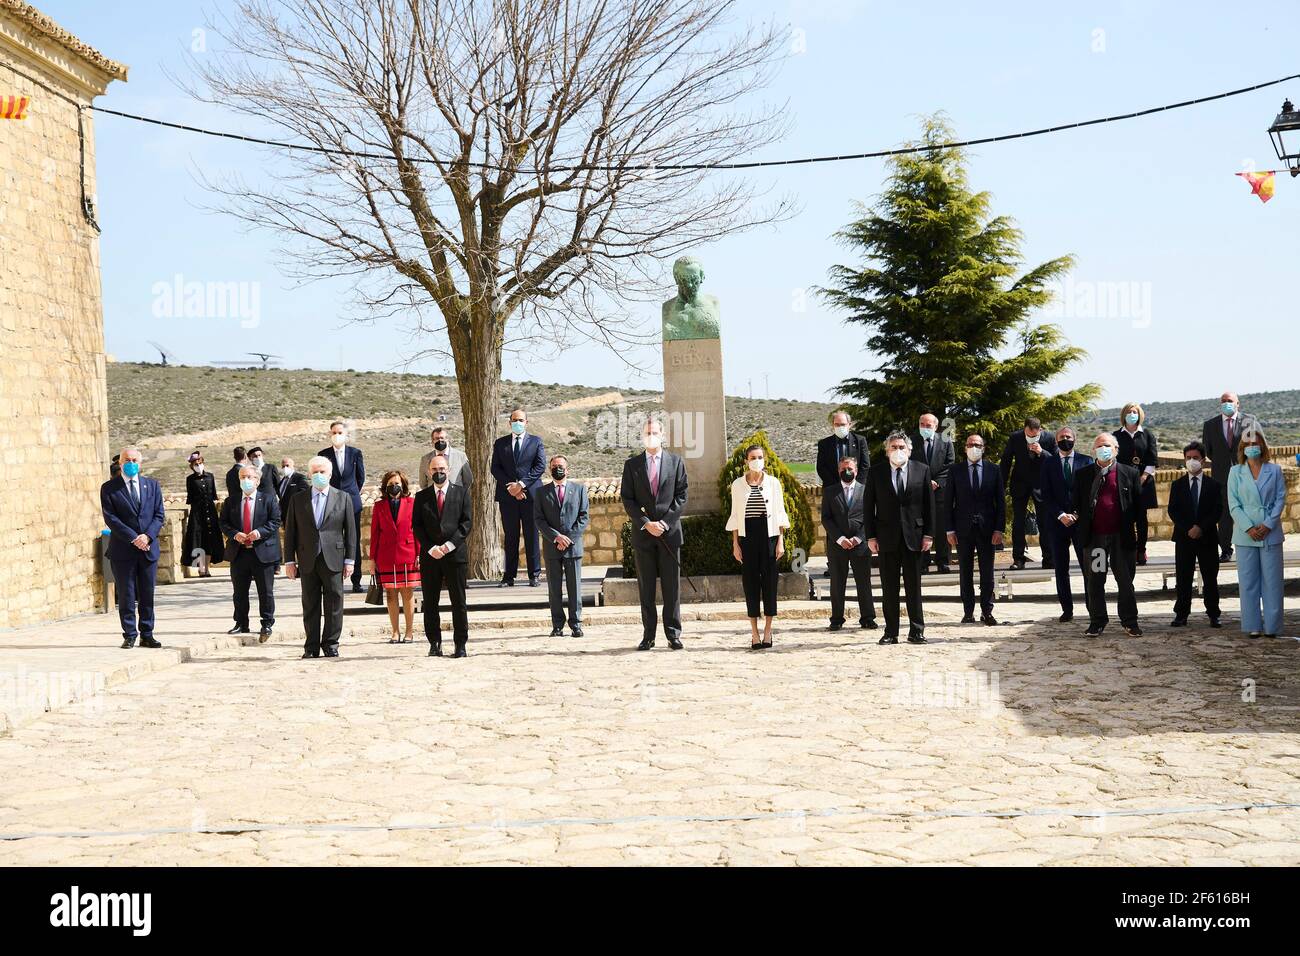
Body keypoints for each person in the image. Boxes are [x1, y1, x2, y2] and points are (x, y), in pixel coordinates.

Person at [620, 418, 689, 651]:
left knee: (671, 589)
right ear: (642, 435)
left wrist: (665, 523)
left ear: (663, 434)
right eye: (648, 432)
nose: (652, 435)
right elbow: (627, 499)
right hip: (644, 536)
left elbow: (681, 496)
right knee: (646, 588)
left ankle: (673, 634)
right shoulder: (632, 465)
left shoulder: (676, 462)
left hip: (669, 535)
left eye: (655, 431)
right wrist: (646, 523)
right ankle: (648, 635)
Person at [863, 431, 935, 645]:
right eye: (893, 447)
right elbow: (868, 507)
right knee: (889, 587)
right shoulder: (876, 473)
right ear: (887, 451)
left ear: (909, 450)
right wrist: (871, 536)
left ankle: (917, 630)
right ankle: (891, 632)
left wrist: (929, 535)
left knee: (914, 587)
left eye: (902, 447)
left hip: (914, 537)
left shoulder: (922, 470)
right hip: (886, 538)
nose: (898, 451)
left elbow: (929, 505)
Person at [1069, 433, 1142, 638]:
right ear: (1093, 450)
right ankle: (1097, 621)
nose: (1104, 449)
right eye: (1099, 446)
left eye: (1107, 445)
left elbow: (1139, 511)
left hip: (1121, 539)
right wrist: (1072, 516)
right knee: (1095, 580)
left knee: (1125, 580)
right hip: (1096, 541)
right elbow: (1076, 505)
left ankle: (1130, 621)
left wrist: (1141, 545)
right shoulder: (1084, 475)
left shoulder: (1129, 473)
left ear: (1116, 449)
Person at [282, 456, 356, 658]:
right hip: (307, 559)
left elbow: (350, 532)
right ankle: (311, 647)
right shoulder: (298, 499)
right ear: (308, 474)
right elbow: (290, 532)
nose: (318, 475)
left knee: (334, 602)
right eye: (314, 472)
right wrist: (289, 560)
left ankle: (331, 644)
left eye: (322, 471)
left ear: (330, 474)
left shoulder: (343, 498)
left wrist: (350, 560)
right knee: (310, 604)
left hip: (333, 558)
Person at [726, 444, 791, 649]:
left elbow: (780, 514)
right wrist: (736, 544)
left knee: (770, 583)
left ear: (765, 459)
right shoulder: (737, 485)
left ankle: (768, 631)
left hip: (770, 536)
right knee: (751, 584)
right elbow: (735, 516)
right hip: (748, 537)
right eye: (752, 457)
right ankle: (754, 633)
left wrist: (780, 541)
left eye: (759, 457)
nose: (756, 460)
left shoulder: (773, 483)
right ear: (746, 460)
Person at [101, 447, 166, 649]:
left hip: (148, 548)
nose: (131, 463)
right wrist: (133, 538)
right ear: (120, 463)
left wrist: (147, 536)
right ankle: (130, 634)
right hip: (123, 550)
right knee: (127, 594)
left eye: (134, 460)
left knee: (147, 594)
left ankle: (147, 633)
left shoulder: (152, 486)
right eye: (127, 460)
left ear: (140, 462)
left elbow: (159, 515)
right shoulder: (109, 488)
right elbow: (111, 518)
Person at [1227, 427, 1286, 638]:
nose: (1252, 447)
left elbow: (1280, 499)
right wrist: (1249, 527)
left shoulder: (1275, 470)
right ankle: (1252, 624)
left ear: (1263, 446)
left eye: (1256, 443)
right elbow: (1233, 504)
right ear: (1242, 448)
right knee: (1248, 581)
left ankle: (1272, 627)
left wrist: (1268, 524)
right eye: (1248, 444)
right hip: (1245, 534)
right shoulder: (1235, 472)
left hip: (1271, 532)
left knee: (1272, 581)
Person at [412, 455, 473, 657]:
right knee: (430, 602)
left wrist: (447, 546)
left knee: (459, 602)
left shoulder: (462, 493)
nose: (439, 472)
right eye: (434, 468)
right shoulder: (421, 497)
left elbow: (466, 524)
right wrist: (431, 548)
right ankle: (434, 643)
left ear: (448, 470)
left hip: (454, 555)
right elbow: (417, 526)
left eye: (442, 468)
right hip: (430, 557)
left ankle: (460, 644)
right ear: (429, 472)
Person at [945, 433, 1005, 625]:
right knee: (965, 572)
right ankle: (968, 611)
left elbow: (1000, 503)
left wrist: (999, 529)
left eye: (977, 444)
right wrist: (949, 529)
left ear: (983, 448)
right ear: (965, 448)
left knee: (987, 573)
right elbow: (948, 503)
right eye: (970, 444)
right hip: (962, 530)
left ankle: (987, 611)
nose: (974, 447)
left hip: (988, 530)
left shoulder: (994, 470)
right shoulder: (955, 471)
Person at [220, 463, 282, 642]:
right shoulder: (231, 501)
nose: (245, 481)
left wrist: (259, 532)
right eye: (242, 477)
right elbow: (223, 522)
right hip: (239, 553)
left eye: (249, 477)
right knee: (239, 591)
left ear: (257, 480)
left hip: (262, 552)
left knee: (265, 591)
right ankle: (241, 622)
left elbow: (275, 520)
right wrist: (234, 534)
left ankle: (267, 623)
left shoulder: (269, 499)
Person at [1037, 427, 1091, 623]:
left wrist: (1076, 514)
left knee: (1088, 568)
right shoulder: (1048, 463)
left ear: (1074, 439)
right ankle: (1066, 609)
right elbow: (1046, 494)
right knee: (1061, 568)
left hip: (1080, 523)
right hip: (1057, 523)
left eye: (1068, 437)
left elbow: (1090, 493)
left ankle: (1091, 606)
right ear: (1056, 441)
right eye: (1061, 437)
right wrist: (1060, 515)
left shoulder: (1086, 461)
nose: (1065, 440)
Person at [1167, 440, 1222, 628]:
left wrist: (1201, 527)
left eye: (1195, 458)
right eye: (1188, 458)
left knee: (1210, 577)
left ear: (1204, 460)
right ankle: (1181, 614)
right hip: (1184, 538)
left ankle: (1214, 613)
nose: (1192, 461)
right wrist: (1188, 528)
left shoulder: (1214, 485)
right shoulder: (1177, 485)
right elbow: (1173, 511)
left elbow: (1217, 511)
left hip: (1207, 537)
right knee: (1183, 577)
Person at [820, 454, 877, 633]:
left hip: (860, 545)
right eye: (844, 468)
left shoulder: (866, 490)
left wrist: (858, 538)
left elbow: (872, 518)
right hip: (838, 545)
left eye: (850, 468)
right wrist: (840, 538)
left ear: (856, 470)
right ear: (838, 470)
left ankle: (867, 618)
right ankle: (837, 619)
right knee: (837, 583)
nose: (847, 471)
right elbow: (826, 518)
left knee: (863, 583)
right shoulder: (830, 491)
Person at [535, 455, 590, 638]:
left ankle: (576, 624)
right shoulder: (541, 493)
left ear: (567, 470)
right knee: (554, 589)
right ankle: (557, 625)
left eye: (560, 466)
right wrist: (556, 537)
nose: (557, 469)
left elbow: (583, 517)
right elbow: (539, 520)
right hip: (552, 548)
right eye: (554, 466)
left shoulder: (579, 490)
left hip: (573, 548)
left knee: (574, 588)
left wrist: (568, 538)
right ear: (549, 470)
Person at [491, 408, 547, 587]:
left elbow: (540, 467)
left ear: (526, 423)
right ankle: (509, 576)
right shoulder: (500, 444)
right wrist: (511, 487)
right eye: (514, 420)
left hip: (530, 496)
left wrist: (521, 485)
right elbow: (495, 468)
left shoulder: (536, 442)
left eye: (521, 420)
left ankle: (534, 575)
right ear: (509, 423)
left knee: (532, 535)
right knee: (510, 536)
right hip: (508, 497)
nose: (518, 423)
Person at [1201, 392, 1256, 561]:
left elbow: (1254, 446)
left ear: (1238, 403)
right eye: (1223, 401)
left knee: (1247, 510)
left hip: (1246, 475)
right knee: (1224, 514)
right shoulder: (1210, 425)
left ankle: (1250, 545)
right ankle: (1225, 549)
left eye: (1230, 401)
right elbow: (1207, 451)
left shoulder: (1248, 421)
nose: (1227, 404)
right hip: (1222, 477)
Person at [371, 469, 420, 644]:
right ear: (385, 486)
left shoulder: (412, 503)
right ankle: (395, 631)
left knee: (407, 594)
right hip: (386, 556)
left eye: (397, 483)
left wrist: (419, 554)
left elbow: (418, 531)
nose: (394, 487)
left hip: (408, 554)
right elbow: (375, 533)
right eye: (390, 484)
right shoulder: (379, 506)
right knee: (390, 595)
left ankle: (409, 632)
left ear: (403, 485)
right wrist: (372, 559)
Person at [999, 417, 1056, 569]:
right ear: (1024, 429)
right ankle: (1018, 559)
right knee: (1018, 522)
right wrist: (1001, 485)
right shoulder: (1015, 437)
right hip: (1020, 484)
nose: (1031, 438)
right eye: (1029, 435)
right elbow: (1006, 460)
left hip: (1041, 485)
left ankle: (1049, 558)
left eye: (1034, 436)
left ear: (1040, 430)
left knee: (1044, 522)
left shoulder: (1049, 438)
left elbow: (1056, 460)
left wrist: (1041, 452)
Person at [317, 422, 366, 592]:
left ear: (346, 435)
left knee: (353, 540)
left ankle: (356, 580)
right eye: (334, 432)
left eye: (339, 432)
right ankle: (332, 579)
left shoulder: (355, 453)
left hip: (352, 503)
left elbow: (360, 478)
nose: (336, 435)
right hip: (331, 504)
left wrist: (349, 495)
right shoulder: (323, 454)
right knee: (331, 541)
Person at [1113, 402, 1158, 565]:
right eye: (1129, 412)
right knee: (1126, 517)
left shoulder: (1147, 434)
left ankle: (1141, 550)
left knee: (1141, 518)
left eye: (1135, 412)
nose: (1132, 414)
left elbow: (1152, 459)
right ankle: (1129, 549)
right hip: (1123, 481)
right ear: (1123, 415)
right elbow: (1114, 459)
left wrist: (1143, 477)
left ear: (1139, 414)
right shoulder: (1116, 435)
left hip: (1143, 481)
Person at [911, 413, 954, 573]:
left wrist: (936, 482)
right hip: (918, 491)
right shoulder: (912, 441)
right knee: (921, 527)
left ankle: (943, 561)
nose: (925, 428)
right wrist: (924, 482)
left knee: (941, 528)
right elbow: (909, 464)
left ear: (935, 427)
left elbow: (949, 465)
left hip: (939, 491)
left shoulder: (946, 440)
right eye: (922, 424)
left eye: (928, 425)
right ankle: (923, 562)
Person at [183, 450, 223, 578]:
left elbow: (213, 495)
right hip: (197, 513)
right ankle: (201, 569)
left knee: (210, 540)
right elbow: (190, 498)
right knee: (199, 539)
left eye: (199, 462)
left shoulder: (210, 476)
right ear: (191, 466)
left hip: (210, 512)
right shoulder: (190, 479)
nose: (198, 465)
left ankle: (207, 568)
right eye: (195, 463)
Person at [816, 410, 870, 487]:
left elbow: (865, 465)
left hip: (856, 488)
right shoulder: (824, 443)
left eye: (843, 424)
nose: (840, 427)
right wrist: (836, 485)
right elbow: (821, 467)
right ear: (833, 425)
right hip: (832, 488)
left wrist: (856, 485)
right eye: (837, 424)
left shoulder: (860, 441)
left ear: (849, 425)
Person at [419, 426, 473, 491]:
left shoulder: (460, 456)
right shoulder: (425, 459)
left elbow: (468, 480)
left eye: (442, 438)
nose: (440, 440)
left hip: (455, 497)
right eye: (436, 438)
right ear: (432, 441)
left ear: (447, 440)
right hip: (433, 498)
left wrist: (460, 494)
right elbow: (423, 483)